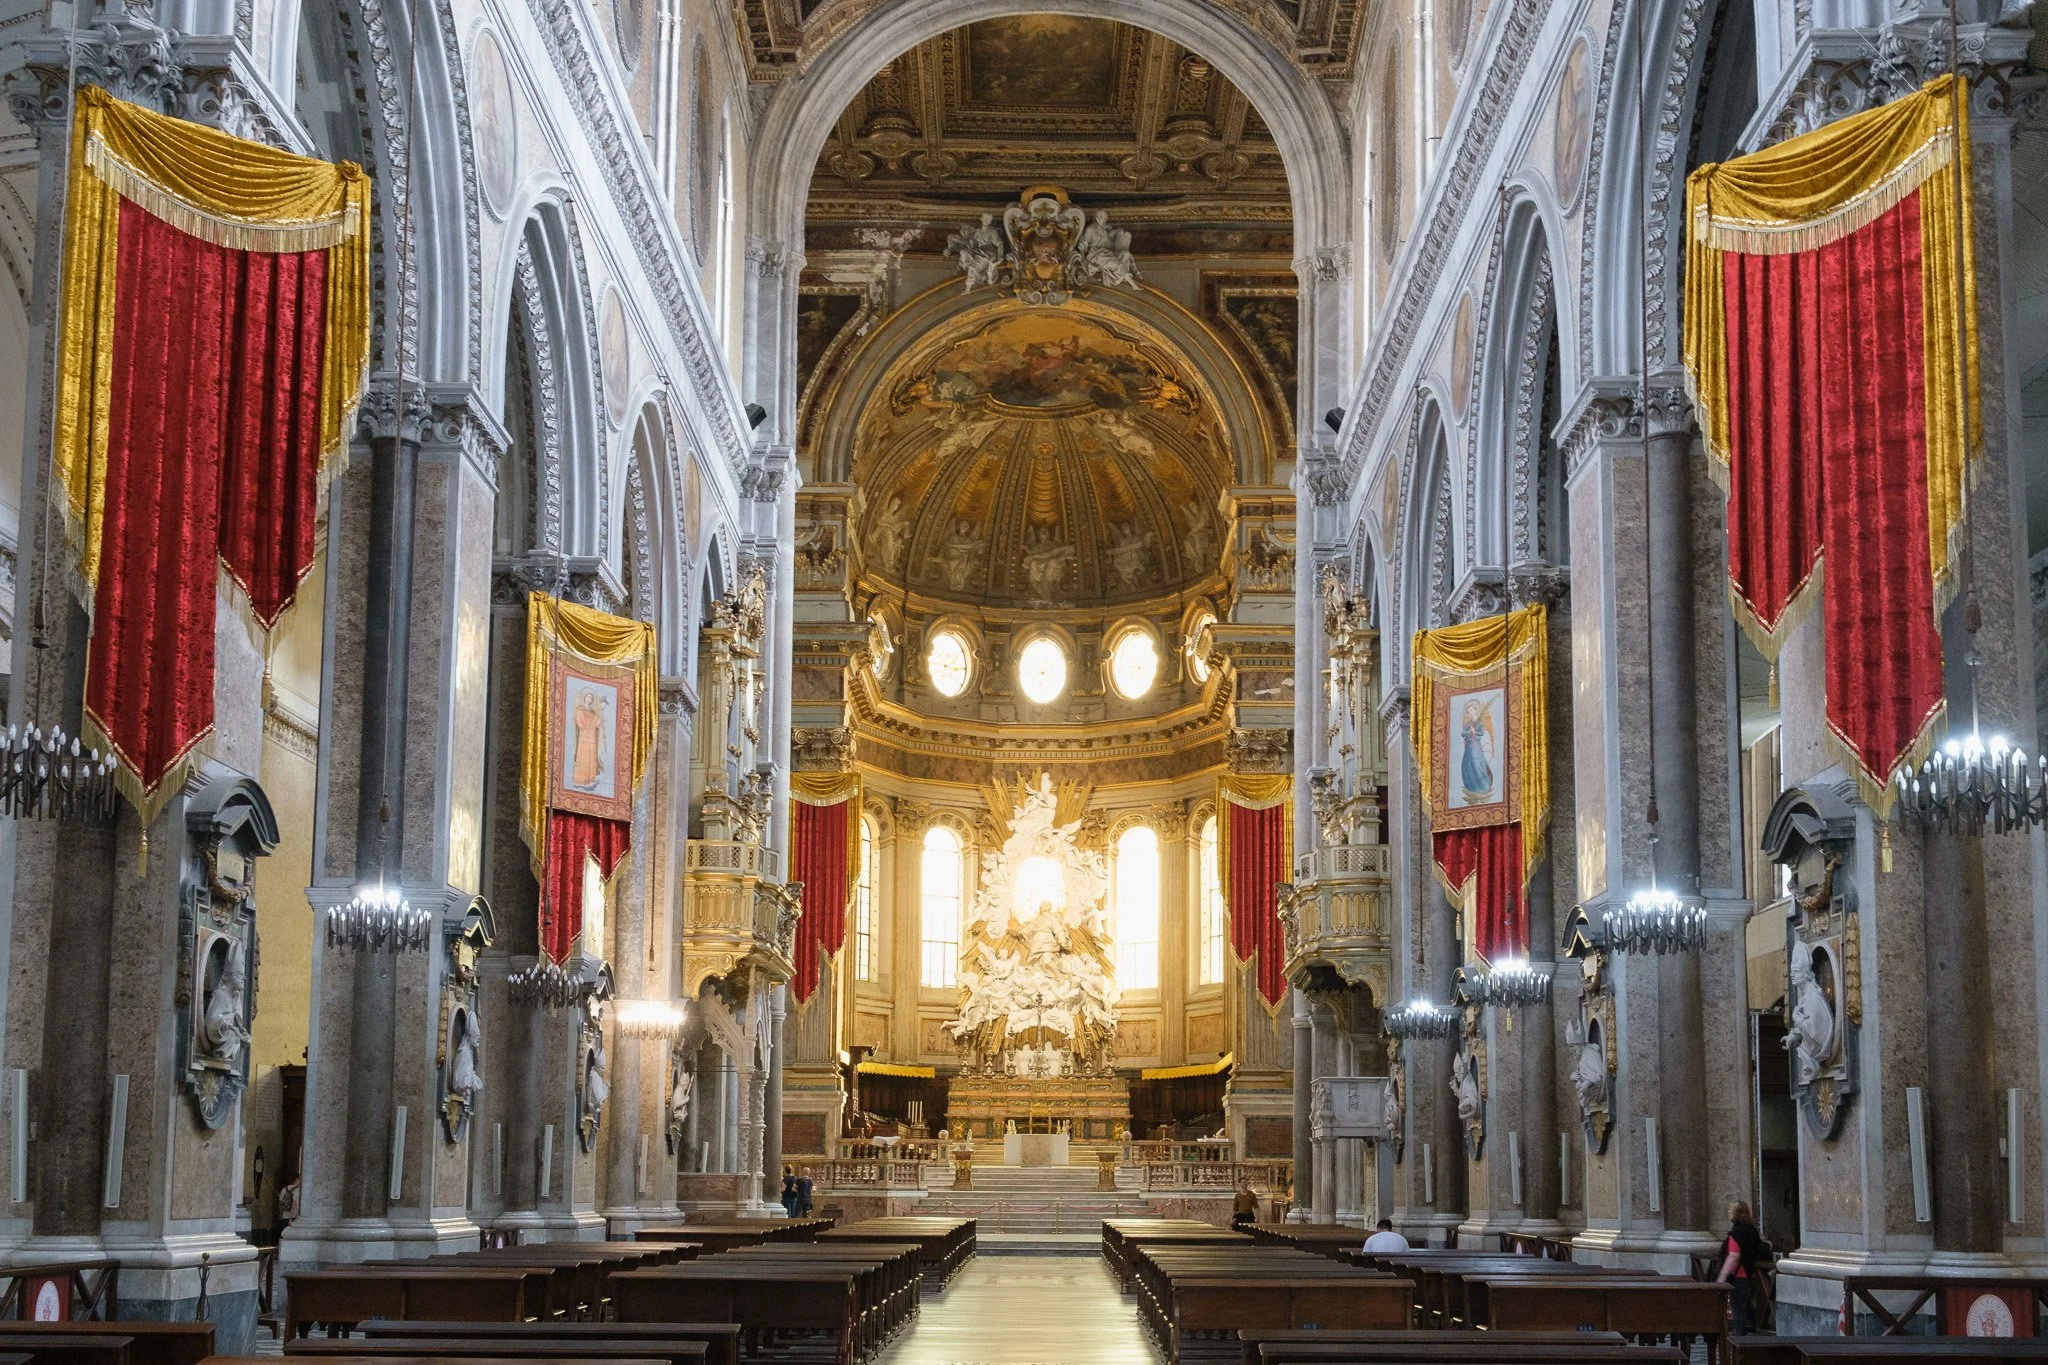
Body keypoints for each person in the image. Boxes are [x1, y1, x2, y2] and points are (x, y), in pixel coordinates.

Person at [1716, 1200, 1770, 1335]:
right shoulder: (1751, 1229)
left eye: (1730, 1211)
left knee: (1737, 1308)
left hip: (1739, 1275)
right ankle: (1756, 1327)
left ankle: (1739, 1341)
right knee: (1745, 1305)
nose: (1728, 1213)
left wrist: (1722, 1276)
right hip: (1750, 1273)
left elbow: (1733, 1256)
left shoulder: (1736, 1232)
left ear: (1737, 1213)